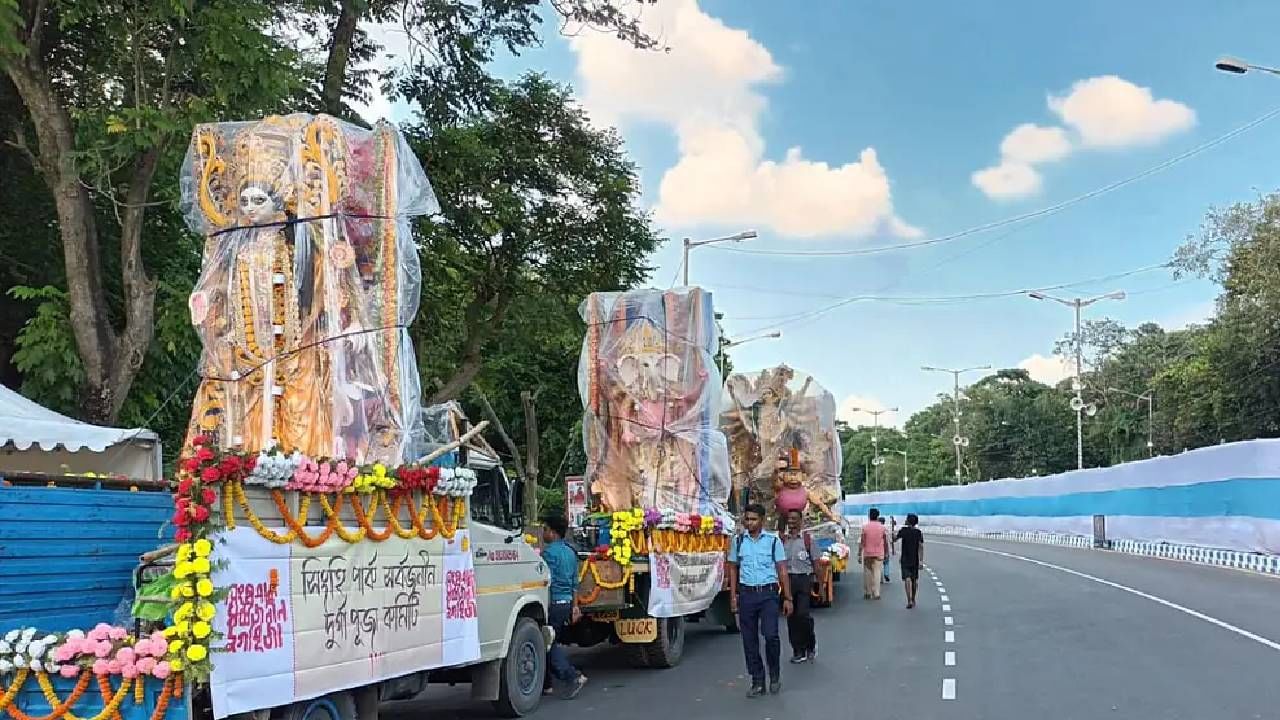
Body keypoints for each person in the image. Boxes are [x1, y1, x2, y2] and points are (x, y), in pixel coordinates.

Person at [728, 503, 794, 697]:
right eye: (747, 519)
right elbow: (732, 568)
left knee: (771, 635)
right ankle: (757, 680)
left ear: (762, 520)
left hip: (768, 595)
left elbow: (782, 569)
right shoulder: (739, 542)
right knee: (749, 641)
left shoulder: (773, 542)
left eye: (753, 519)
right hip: (747, 595)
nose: (749, 523)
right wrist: (733, 596)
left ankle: (774, 675)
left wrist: (787, 598)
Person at [541, 517, 588, 698]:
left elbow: (545, 581)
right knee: (549, 642)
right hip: (567, 603)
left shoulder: (548, 554)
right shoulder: (570, 552)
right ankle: (547, 685)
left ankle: (573, 676)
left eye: (545, 529)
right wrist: (575, 607)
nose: (543, 533)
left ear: (553, 532)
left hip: (553, 604)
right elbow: (575, 583)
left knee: (548, 643)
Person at [781, 509, 816, 664]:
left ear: (801, 521)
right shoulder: (783, 541)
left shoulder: (807, 540)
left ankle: (810, 643)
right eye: (790, 519)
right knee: (791, 616)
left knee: (803, 615)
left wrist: (820, 585)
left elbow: (816, 563)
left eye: (795, 519)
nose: (792, 522)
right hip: (788, 581)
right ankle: (797, 650)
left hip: (804, 580)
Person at [896, 513, 925, 609]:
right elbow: (921, 547)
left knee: (907, 579)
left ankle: (909, 600)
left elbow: (894, 539)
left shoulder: (903, 531)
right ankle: (913, 598)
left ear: (908, 521)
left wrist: (893, 532)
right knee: (914, 580)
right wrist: (921, 560)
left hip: (905, 558)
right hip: (915, 559)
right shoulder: (918, 532)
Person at [858, 508, 886, 600]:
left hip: (868, 552)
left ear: (869, 516)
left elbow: (862, 542)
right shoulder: (882, 527)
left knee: (868, 572)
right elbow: (885, 541)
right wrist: (886, 552)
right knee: (877, 572)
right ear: (878, 516)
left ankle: (868, 592)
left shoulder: (865, 527)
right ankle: (876, 593)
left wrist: (859, 553)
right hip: (879, 553)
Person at [879, 515, 893, 583]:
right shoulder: (887, 529)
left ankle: (880, 578)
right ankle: (886, 574)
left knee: (879, 564)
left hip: (879, 549)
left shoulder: (878, 529)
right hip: (887, 548)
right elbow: (890, 540)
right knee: (886, 563)